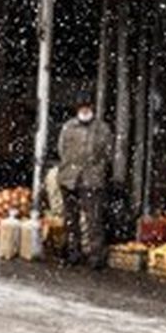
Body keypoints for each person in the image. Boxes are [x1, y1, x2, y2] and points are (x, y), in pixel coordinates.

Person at [57, 90, 113, 269]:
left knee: (93, 219)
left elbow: (108, 154)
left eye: (87, 106)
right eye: (81, 106)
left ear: (92, 108)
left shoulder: (102, 129)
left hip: (92, 179)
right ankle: (74, 253)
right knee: (70, 218)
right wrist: (70, 166)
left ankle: (96, 257)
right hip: (69, 178)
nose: (84, 110)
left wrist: (97, 170)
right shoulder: (68, 127)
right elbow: (61, 149)